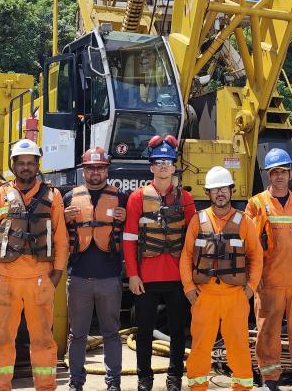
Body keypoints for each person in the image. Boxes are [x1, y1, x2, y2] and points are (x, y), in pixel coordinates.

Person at [0, 139, 69, 391]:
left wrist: (56, 275)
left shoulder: (53, 196)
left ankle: (46, 387)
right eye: (22, 163)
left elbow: (61, 239)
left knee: (43, 341)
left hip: (41, 279)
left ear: (37, 165)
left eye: (31, 163)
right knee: (2, 341)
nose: (26, 167)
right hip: (5, 280)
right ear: (14, 165)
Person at [122, 134, 196, 391]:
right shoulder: (137, 198)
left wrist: (191, 278)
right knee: (144, 333)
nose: (164, 166)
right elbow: (129, 239)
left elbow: (192, 240)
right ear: (151, 167)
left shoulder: (185, 200)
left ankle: (174, 377)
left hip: (177, 279)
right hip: (146, 278)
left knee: (178, 332)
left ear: (174, 166)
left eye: (168, 161)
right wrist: (132, 274)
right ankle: (145, 379)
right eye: (158, 162)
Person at [181, 166, 263, 391]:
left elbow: (256, 256)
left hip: (235, 296)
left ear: (232, 191)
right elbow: (186, 256)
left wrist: (250, 288)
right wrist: (189, 287)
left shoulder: (245, 221)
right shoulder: (198, 221)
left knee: (238, 347)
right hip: (204, 296)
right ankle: (197, 387)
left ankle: (243, 387)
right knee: (199, 348)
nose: (220, 193)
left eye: (224, 189)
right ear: (208, 193)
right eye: (215, 189)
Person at [245, 148, 292, 391]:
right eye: (274, 172)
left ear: (290, 174)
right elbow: (248, 245)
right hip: (269, 282)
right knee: (267, 333)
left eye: (283, 172)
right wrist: (252, 278)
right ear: (269, 175)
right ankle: (270, 380)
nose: (279, 176)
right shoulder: (256, 204)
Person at [63, 147, 127, 391]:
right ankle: (75, 383)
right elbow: (55, 233)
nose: (95, 173)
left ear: (107, 170)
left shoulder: (122, 199)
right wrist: (62, 216)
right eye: (90, 168)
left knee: (112, 333)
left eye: (100, 168)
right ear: (84, 170)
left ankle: (113, 384)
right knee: (77, 335)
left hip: (109, 279)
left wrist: (126, 217)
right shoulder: (69, 199)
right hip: (78, 278)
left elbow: (132, 236)